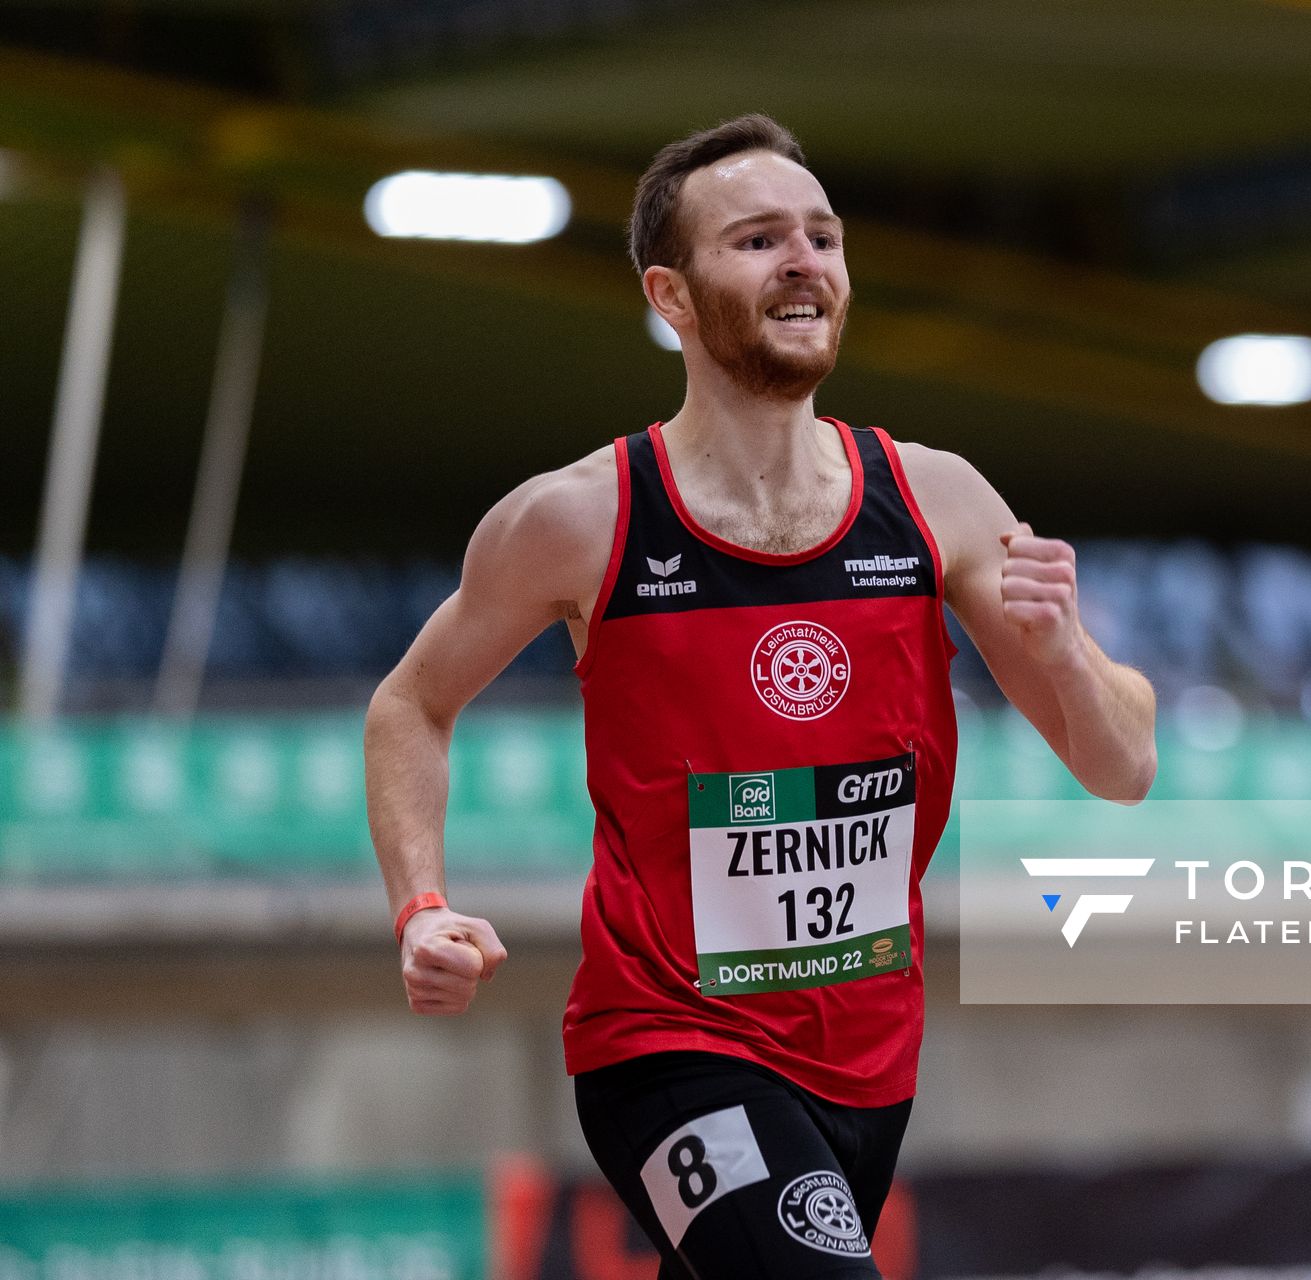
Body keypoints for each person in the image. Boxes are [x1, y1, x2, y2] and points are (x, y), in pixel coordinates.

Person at [364, 113, 1157, 1278]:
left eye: (824, 236)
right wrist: (420, 904)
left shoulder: (933, 500)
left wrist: (1068, 651)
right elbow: (411, 703)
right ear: (671, 296)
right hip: (668, 1043)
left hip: (870, 1062)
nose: (805, 260)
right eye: (758, 239)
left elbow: (1121, 764)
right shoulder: (583, 518)